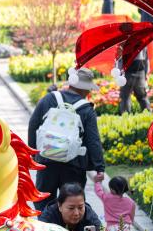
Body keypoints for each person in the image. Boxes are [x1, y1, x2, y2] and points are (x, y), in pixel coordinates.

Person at [27, 67, 105, 212]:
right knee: (72, 205)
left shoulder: (49, 98)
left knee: (43, 202)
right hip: (74, 165)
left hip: (47, 160)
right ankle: (66, 226)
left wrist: (33, 154)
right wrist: (99, 167)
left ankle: (46, 223)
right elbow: (93, 140)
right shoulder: (86, 109)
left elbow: (33, 124)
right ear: (84, 88)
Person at [37, 183, 103, 231]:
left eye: (80, 207)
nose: (76, 213)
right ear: (60, 206)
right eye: (71, 208)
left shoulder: (90, 217)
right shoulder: (48, 219)